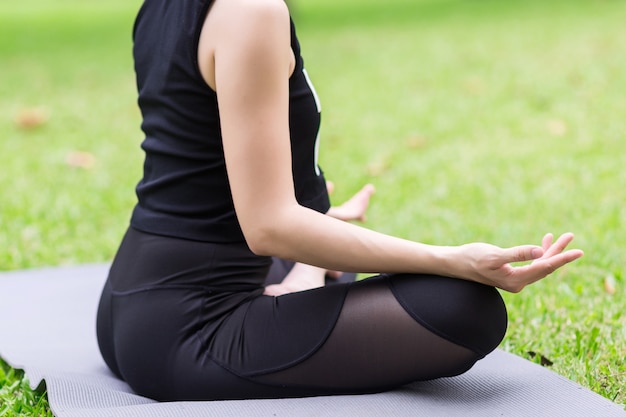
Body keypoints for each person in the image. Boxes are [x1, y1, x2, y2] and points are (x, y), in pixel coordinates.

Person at [96, 0, 584, 402]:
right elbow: (268, 227)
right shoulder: (251, 12)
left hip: (128, 302)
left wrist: (308, 260)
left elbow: (210, 175)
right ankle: (312, 269)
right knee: (463, 307)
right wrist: (454, 260)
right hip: (191, 332)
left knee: (338, 251)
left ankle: (309, 269)